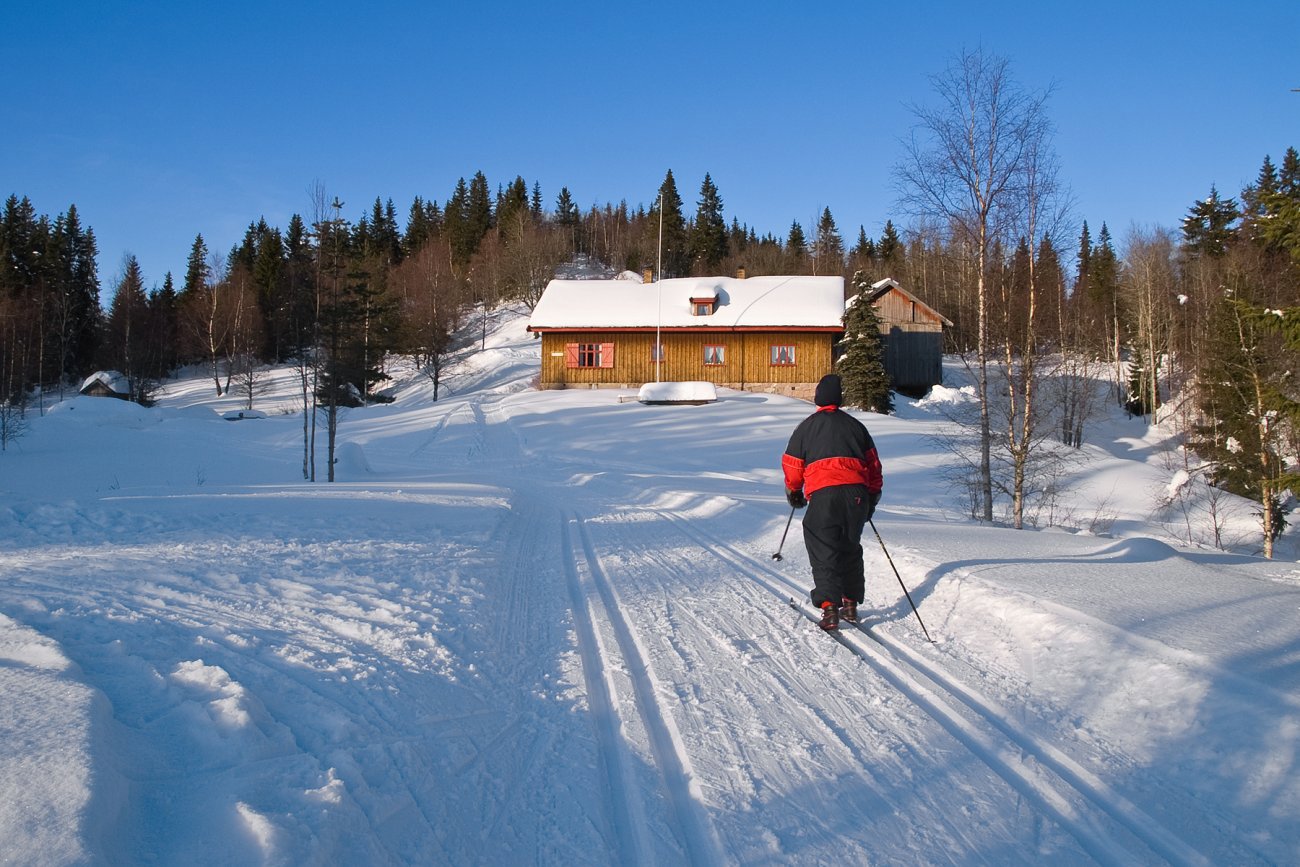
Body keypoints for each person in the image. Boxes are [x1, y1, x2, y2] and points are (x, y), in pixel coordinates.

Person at [781, 373, 883, 631]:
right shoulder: (856, 426)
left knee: (824, 547)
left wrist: (794, 491)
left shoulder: (806, 426)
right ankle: (850, 604)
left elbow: (792, 464)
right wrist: (872, 495)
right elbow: (873, 464)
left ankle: (829, 608)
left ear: (817, 398)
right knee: (849, 545)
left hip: (824, 495)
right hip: (856, 494)